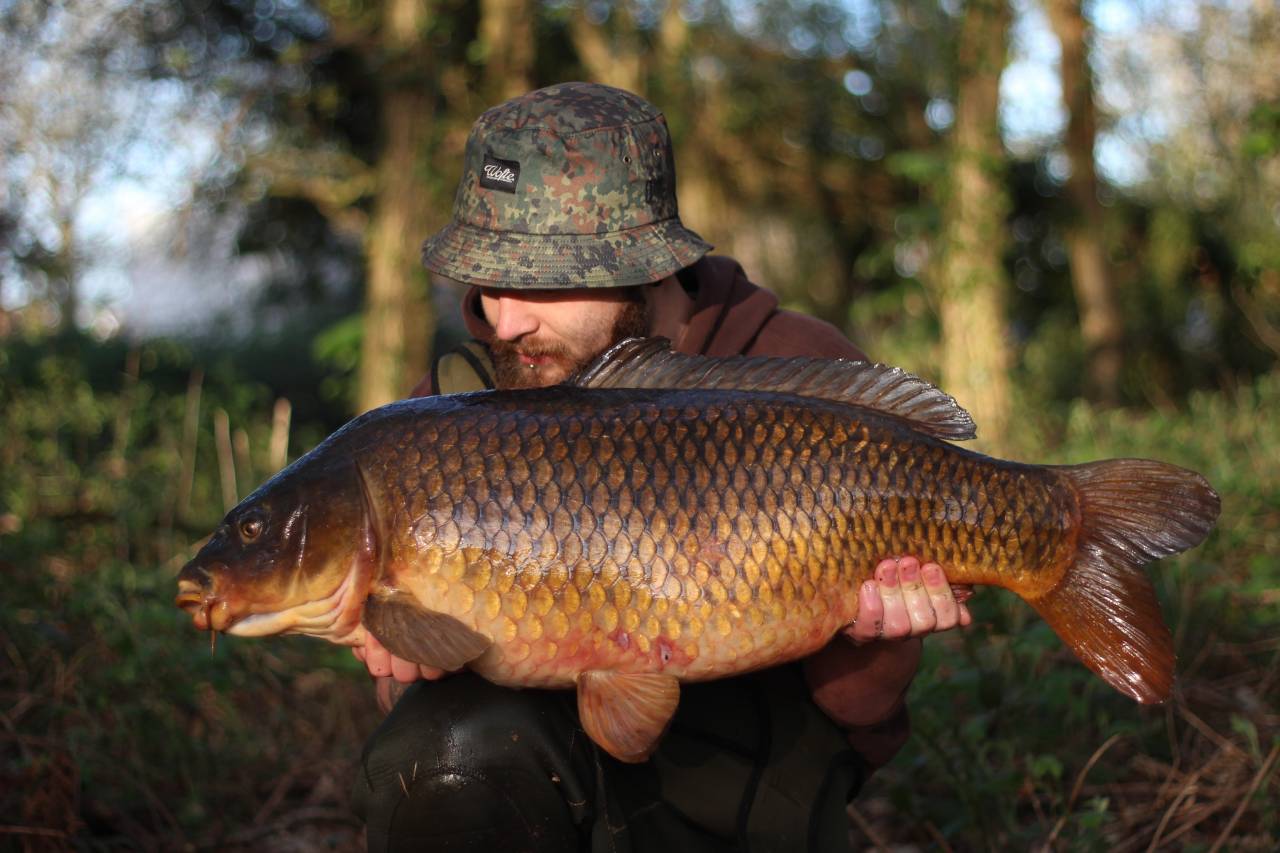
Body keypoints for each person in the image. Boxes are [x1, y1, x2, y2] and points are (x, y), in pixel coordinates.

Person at [349, 82, 971, 852]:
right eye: (484, 279)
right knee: (439, 758)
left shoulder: (797, 373)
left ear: (643, 262)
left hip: (744, 800)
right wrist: (408, 654)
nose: (504, 321)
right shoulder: (452, 414)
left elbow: (863, 719)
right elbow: (403, 708)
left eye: (539, 277)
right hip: (541, 784)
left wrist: (879, 634)